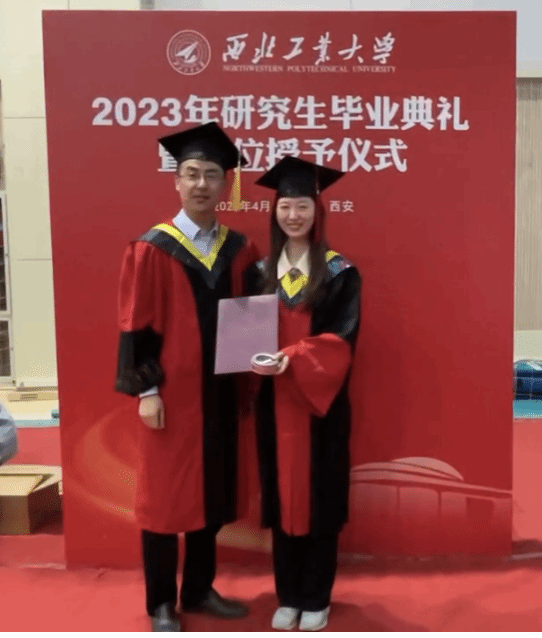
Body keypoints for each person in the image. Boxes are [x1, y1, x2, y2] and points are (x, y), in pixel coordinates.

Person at [115, 122, 259, 632]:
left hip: (220, 394)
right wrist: (146, 390)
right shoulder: (153, 248)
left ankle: (198, 590)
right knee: (164, 500)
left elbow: (247, 321)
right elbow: (135, 324)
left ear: (225, 184)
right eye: (192, 174)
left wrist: (247, 383)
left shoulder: (239, 249)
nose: (201, 184)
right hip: (173, 397)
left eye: (211, 175)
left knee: (212, 494)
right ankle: (160, 603)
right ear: (177, 182)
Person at [248, 156, 361, 632]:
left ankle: (317, 595)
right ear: (274, 211)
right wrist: (251, 357)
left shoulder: (340, 273)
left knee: (319, 498)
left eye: (303, 206)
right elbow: (245, 336)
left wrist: (293, 357)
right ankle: (288, 594)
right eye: (285, 206)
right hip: (274, 405)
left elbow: (342, 341)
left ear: (318, 211)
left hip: (320, 407)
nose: (293, 215)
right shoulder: (259, 272)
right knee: (283, 498)